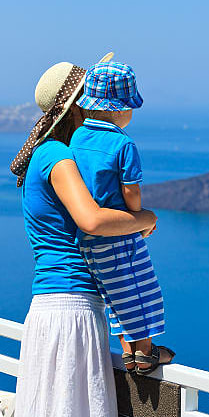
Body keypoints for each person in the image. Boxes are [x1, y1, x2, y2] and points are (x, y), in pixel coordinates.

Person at [10, 53, 158, 417]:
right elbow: (91, 219)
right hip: (72, 305)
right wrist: (146, 219)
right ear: (79, 105)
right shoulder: (57, 156)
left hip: (49, 305)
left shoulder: (40, 156)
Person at [70, 61, 174, 375]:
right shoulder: (123, 144)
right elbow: (131, 192)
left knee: (114, 292)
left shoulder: (76, 140)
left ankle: (129, 353)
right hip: (119, 231)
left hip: (89, 239)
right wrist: (140, 218)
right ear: (120, 110)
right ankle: (145, 353)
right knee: (138, 288)